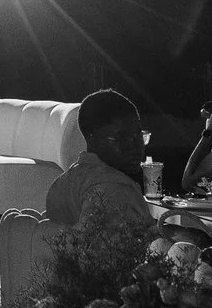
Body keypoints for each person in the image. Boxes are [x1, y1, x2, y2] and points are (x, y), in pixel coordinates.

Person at [45, 88, 150, 236]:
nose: (135, 146)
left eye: (138, 135)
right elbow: (104, 250)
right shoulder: (114, 189)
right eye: (120, 138)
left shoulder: (62, 183)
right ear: (93, 140)